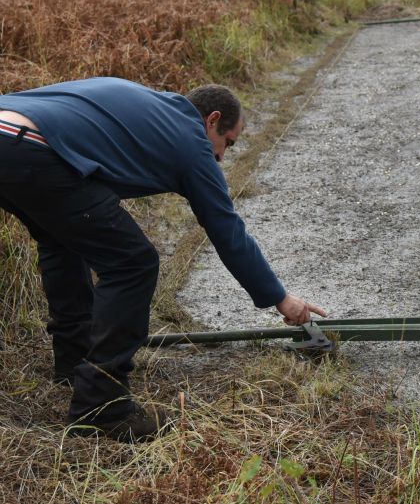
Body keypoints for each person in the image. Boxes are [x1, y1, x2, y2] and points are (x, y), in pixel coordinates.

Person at [0, 77, 326, 442]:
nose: (221, 156)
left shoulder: (151, 108)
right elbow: (227, 230)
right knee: (133, 263)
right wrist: (280, 298)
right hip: (34, 147)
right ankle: (102, 408)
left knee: (63, 240)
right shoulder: (190, 142)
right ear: (211, 120)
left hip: (11, 135)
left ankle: (75, 364)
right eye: (227, 143)